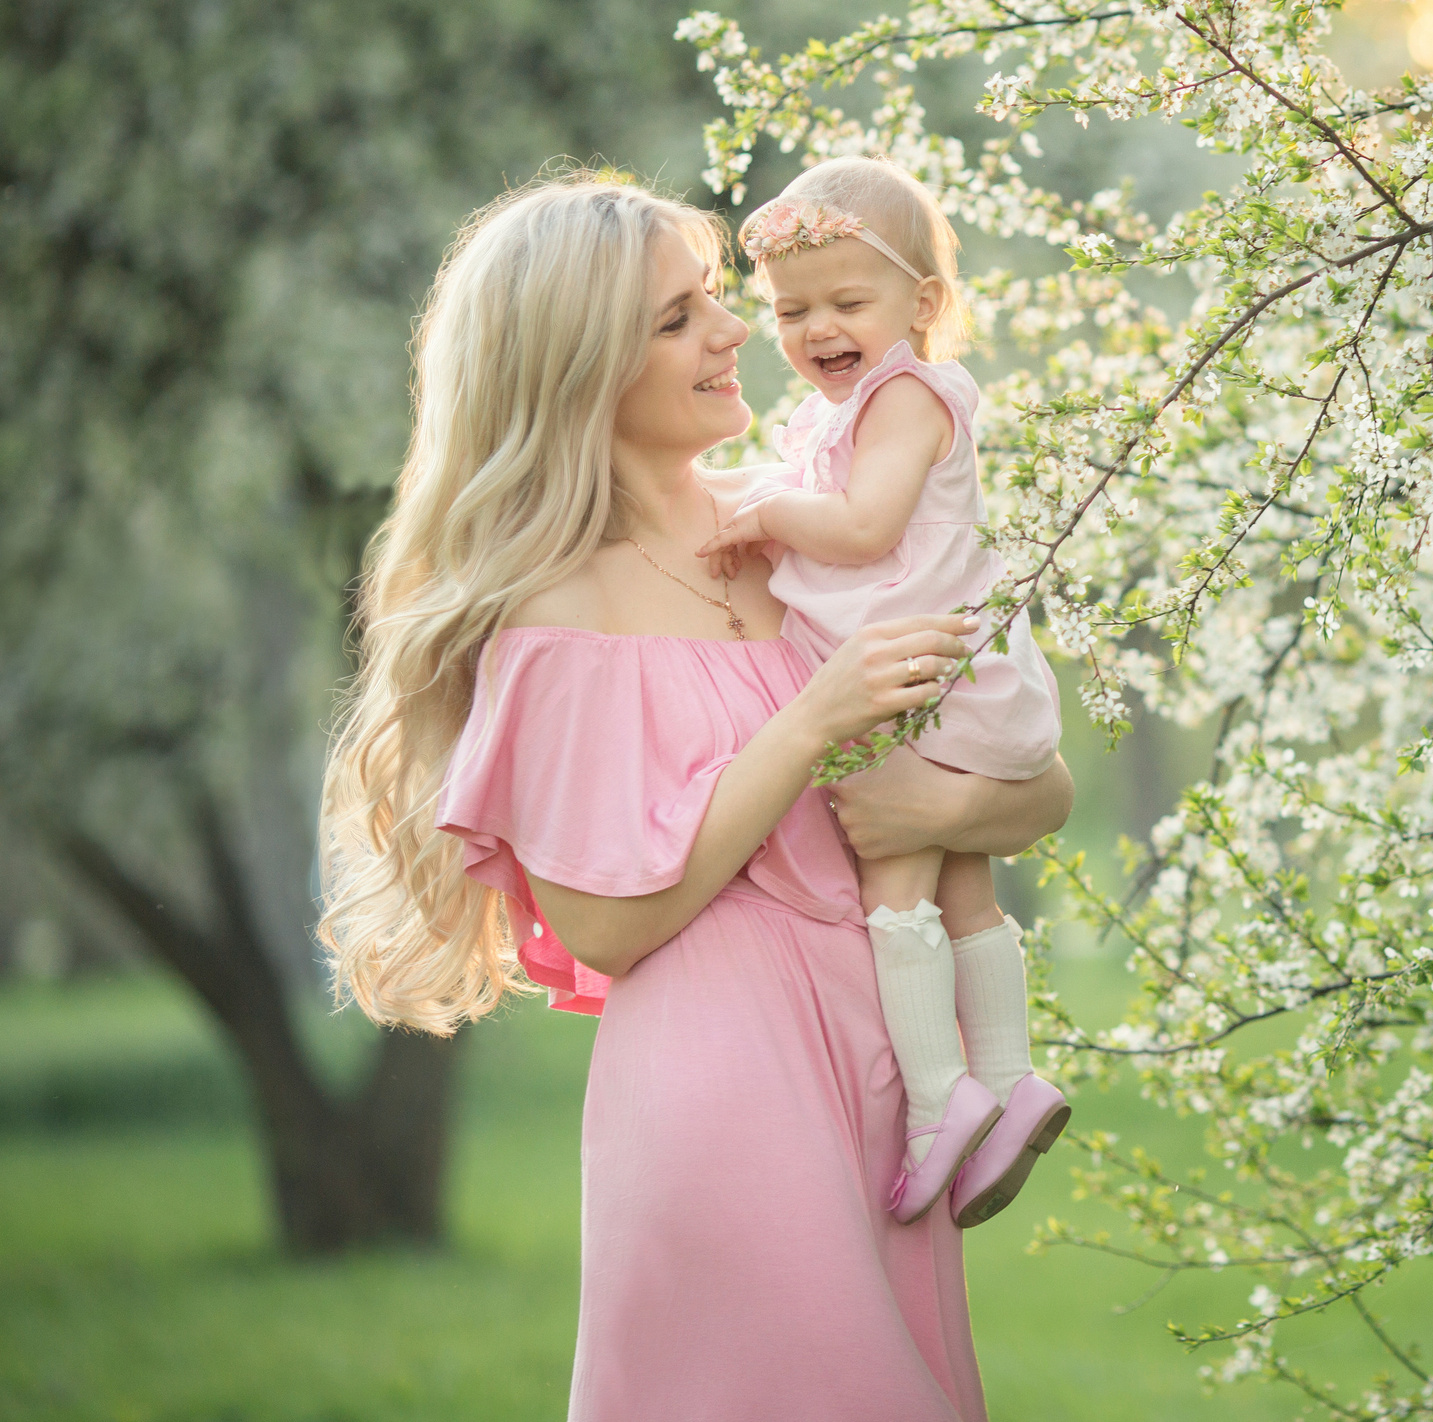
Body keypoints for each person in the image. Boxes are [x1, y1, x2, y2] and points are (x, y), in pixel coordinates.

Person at [318, 169, 1071, 1422]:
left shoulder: (800, 537)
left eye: (718, 301)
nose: (736, 335)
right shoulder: (561, 612)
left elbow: (1028, 784)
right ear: (578, 371)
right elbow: (609, 924)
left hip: (884, 1061)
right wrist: (811, 724)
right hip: (727, 1073)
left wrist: (933, 818)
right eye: (679, 319)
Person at [697, 156, 1067, 1229]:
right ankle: (1006, 1081)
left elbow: (861, 530)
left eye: (848, 301)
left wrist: (764, 512)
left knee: (894, 893)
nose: (817, 327)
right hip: (937, 674)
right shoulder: (846, 409)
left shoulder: (906, 396)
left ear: (924, 303)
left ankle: (931, 1101)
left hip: (919, 681)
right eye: (789, 309)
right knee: (964, 894)